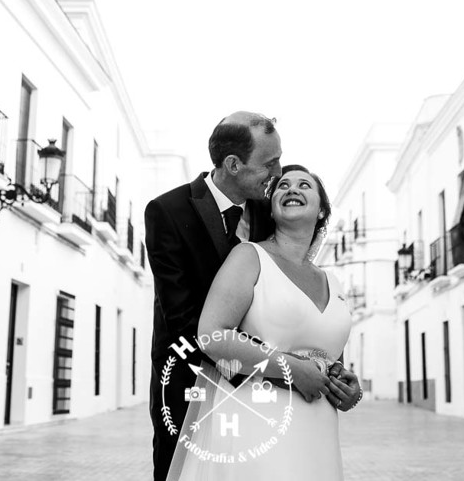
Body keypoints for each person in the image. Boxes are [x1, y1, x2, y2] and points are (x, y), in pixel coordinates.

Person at [165, 165, 361, 481]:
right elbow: (211, 336)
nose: (292, 189)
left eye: (304, 185)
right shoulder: (249, 256)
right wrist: (292, 370)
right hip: (258, 422)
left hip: (319, 433)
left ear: (322, 208)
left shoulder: (333, 282)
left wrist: (347, 387)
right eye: (283, 185)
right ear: (271, 207)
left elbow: (327, 357)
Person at [146, 112, 282, 481]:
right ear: (233, 164)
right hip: (189, 377)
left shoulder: (269, 212)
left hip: (262, 385)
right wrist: (252, 360)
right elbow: (180, 313)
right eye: (269, 163)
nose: (279, 172)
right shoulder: (167, 211)